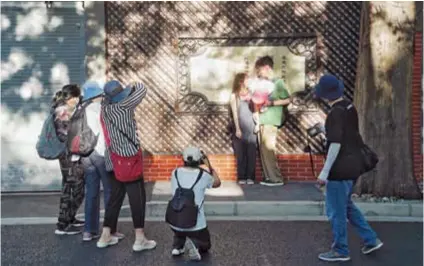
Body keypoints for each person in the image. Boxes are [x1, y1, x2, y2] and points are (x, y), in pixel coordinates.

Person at [315, 74, 383, 262]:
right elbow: (347, 134)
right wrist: (325, 130)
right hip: (353, 166)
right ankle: (371, 239)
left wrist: (324, 172)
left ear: (326, 95)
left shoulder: (334, 113)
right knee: (347, 207)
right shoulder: (349, 107)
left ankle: (340, 250)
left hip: (339, 169)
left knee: (336, 211)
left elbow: (335, 144)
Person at [96, 80, 156, 252]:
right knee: (137, 198)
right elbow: (142, 90)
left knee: (115, 197)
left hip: (113, 159)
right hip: (129, 158)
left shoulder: (104, 109)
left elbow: (106, 99)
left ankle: (105, 235)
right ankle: (139, 238)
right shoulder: (123, 106)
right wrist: (134, 83)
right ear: (120, 96)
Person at [168, 147, 221, 261]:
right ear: (199, 160)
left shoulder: (175, 173)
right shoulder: (203, 175)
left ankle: (178, 246)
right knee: (206, 245)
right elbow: (217, 183)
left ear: (184, 159)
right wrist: (209, 165)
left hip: (175, 221)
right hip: (196, 225)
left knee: (180, 229)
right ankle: (196, 245)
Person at [80, 82, 115, 241]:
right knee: (110, 191)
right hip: (100, 154)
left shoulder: (80, 110)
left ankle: (89, 230)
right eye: (101, 95)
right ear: (97, 96)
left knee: (92, 193)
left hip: (86, 155)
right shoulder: (100, 109)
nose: (103, 97)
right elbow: (106, 134)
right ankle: (110, 231)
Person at [248, 56, 291, 186]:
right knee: (263, 150)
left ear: (266, 68)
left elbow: (288, 99)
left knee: (268, 149)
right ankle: (269, 177)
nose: (258, 73)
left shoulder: (278, 83)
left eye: (259, 70)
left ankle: (276, 178)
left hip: (271, 119)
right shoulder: (263, 83)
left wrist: (271, 102)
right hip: (262, 119)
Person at [52, 84, 85, 235]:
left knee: (67, 189)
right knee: (78, 189)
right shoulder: (62, 111)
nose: (78, 99)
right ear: (69, 98)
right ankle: (64, 224)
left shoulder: (65, 108)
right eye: (76, 97)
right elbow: (63, 135)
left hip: (68, 156)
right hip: (68, 157)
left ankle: (67, 220)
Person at [230, 73, 257, 185]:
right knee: (240, 154)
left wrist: (257, 125)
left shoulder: (252, 94)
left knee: (251, 153)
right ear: (241, 81)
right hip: (240, 127)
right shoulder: (234, 96)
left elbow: (256, 111)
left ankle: (250, 177)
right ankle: (241, 176)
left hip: (251, 126)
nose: (248, 81)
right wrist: (237, 129)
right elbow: (235, 113)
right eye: (247, 79)